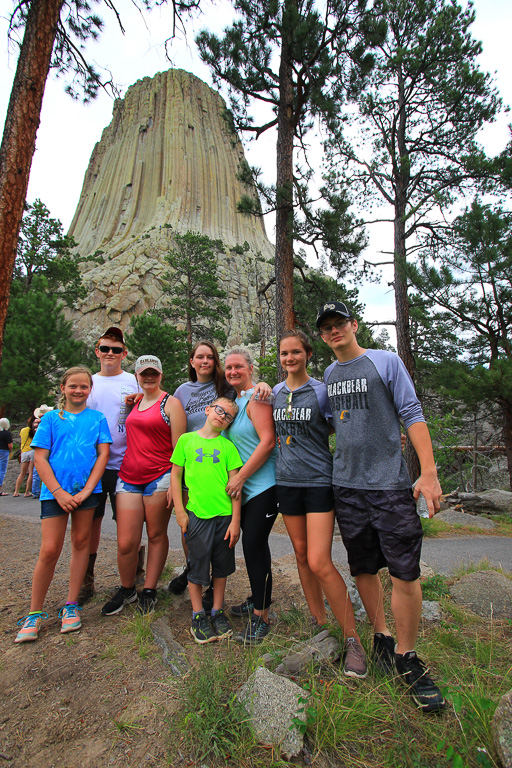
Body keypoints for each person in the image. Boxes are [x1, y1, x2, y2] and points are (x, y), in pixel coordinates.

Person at [317, 300, 445, 712]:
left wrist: (427, 472)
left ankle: (409, 656)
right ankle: (382, 637)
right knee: (363, 567)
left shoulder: (385, 362)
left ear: (355, 325)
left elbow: (411, 411)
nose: (334, 331)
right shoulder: (329, 374)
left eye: (340, 324)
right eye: (327, 328)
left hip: (389, 486)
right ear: (322, 336)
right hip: (347, 488)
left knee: (405, 570)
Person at [273, 330, 367, 677]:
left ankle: (353, 639)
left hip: (317, 482)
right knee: (300, 554)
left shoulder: (321, 391)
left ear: (307, 355)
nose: (289, 358)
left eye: (295, 352)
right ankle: (320, 622)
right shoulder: (275, 393)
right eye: (284, 353)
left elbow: (339, 425)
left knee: (319, 560)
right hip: (286, 482)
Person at [15, 367, 111, 643]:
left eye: (84, 387)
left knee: (81, 543)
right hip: (54, 493)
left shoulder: (97, 418)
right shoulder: (50, 420)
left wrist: (89, 489)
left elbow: (103, 453)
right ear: (63, 388)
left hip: (86, 493)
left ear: (90, 390)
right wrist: (58, 492)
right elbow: (41, 458)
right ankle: (34, 613)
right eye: (73, 386)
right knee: (49, 549)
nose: (79, 391)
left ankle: (71, 605)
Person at [101, 355, 186, 616]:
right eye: (143, 373)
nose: (149, 377)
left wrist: (176, 483)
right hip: (128, 476)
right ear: (136, 376)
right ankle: (127, 588)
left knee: (157, 535)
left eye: (153, 373)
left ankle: (149, 589)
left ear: (161, 374)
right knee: (127, 541)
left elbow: (179, 449)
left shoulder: (171, 404)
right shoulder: (133, 404)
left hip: (159, 476)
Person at [170, 397, 242, 643]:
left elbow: (235, 487)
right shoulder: (186, 440)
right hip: (197, 515)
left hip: (224, 517)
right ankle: (198, 614)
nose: (222, 416)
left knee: (221, 567)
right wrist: (180, 511)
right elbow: (176, 475)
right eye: (220, 410)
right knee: (197, 565)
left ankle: (217, 611)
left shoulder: (228, 448)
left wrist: (235, 521)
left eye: (229, 416)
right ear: (208, 409)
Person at [80, 327, 139, 603]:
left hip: (126, 463)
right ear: (97, 351)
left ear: (124, 353)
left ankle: (135, 573)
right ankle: (86, 580)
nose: (110, 354)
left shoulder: (134, 380)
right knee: (91, 522)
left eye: (116, 350)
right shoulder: (87, 383)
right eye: (105, 349)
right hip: (92, 465)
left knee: (128, 522)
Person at [224, 347, 278, 644]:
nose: (233, 371)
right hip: (243, 490)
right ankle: (257, 599)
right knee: (252, 549)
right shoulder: (236, 401)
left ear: (250, 368)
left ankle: (262, 616)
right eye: (229, 367)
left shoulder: (257, 399)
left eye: (238, 367)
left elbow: (268, 441)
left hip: (262, 486)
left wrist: (242, 477)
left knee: (255, 546)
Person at [13, 415, 36, 497]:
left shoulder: (23, 430)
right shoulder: (34, 431)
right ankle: (27, 492)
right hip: (32, 451)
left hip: (24, 452)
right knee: (31, 473)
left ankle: (16, 491)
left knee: (22, 473)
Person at [0, 418, 13, 495]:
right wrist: (10, 451)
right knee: (1, 470)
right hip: (4, 451)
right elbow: (10, 445)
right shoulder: (7, 433)